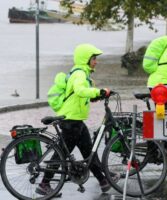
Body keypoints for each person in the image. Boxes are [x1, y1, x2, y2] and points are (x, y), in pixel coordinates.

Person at [36, 44, 117, 196]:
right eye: (93, 58)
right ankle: (44, 183)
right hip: (70, 120)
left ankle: (103, 181)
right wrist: (98, 91)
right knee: (60, 155)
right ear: (85, 59)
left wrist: (98, 95)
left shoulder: (82, 73)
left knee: (89, 151)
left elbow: (80, 95)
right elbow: (80, 91)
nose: (96, 62)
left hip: (76, 120)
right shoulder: (79, 73)